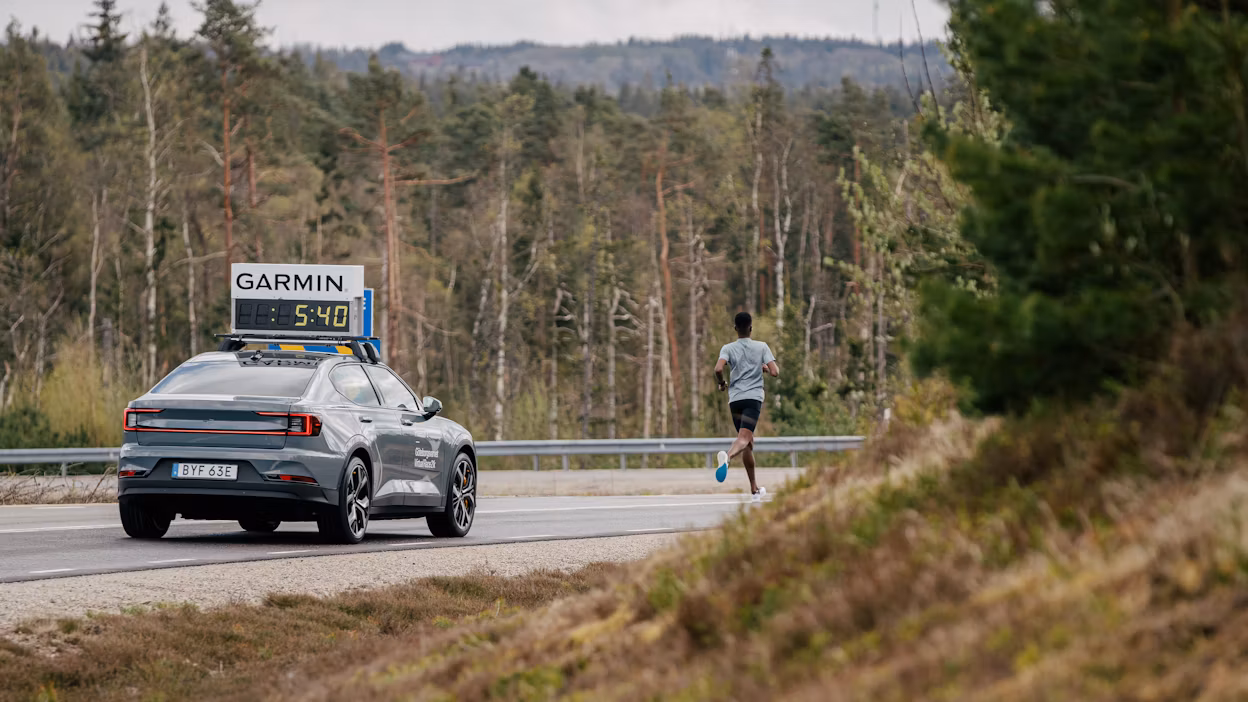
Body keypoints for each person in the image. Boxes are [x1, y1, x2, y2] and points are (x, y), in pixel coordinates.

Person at [714, 311, 779, 501]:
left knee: (748, 443)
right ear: (751, 328)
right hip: (752, 398)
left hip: (735, 399)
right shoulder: (761, 347)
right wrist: (766, 368)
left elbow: (718, 368)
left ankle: (754, 489)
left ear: (735, 329)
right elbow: (775, 372)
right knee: (743, 438)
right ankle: (727, 457)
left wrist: (721, 383)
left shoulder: (728, 348)